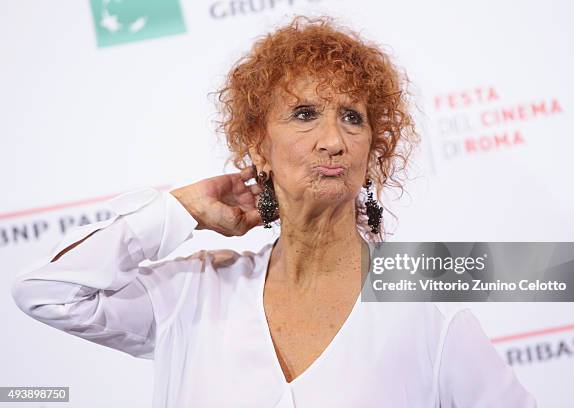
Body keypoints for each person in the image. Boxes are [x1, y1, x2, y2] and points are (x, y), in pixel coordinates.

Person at [11, 16, 536, 408]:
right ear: (258, 146)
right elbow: (51, 293)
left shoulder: (431, 316)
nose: (333, 140)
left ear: (373, 149)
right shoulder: (194, 293)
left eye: (352, 118)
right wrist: (181, 210)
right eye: (305, 115)